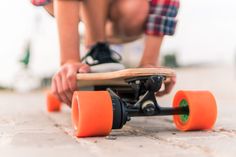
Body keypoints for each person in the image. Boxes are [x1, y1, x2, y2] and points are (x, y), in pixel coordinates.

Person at [31, 0, 180, 105]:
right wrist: (69, 59)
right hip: (56, 3)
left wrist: (150, 62)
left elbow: (165, 2)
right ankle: (96, 47)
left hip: (119, 10)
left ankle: (98, 42)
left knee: (137, 10)